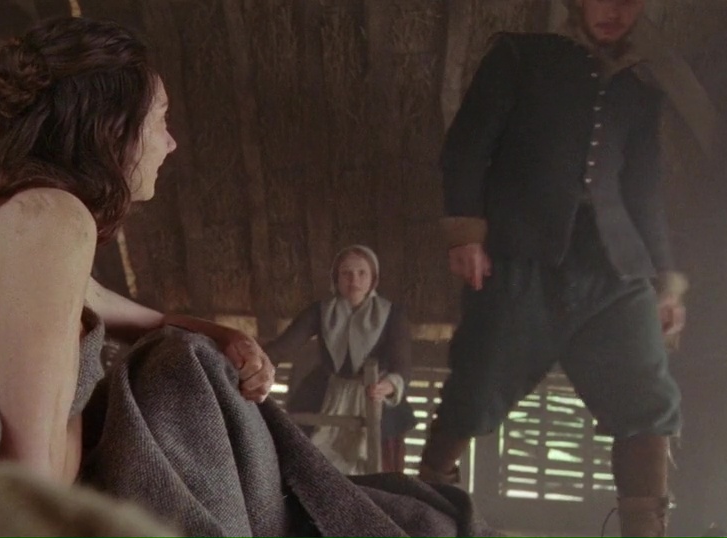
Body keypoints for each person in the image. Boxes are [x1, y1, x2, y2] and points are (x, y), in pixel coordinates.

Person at [0, 17, 275, 486]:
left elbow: (149, 321)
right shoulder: (51, 218)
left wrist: (227, 338)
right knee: (189, 392)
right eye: (160, 118)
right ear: (113, 127)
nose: (171, 142)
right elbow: (32, 469)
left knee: (188, 355)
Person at [422, 0, 688, 536]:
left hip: (615, 270)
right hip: (520, 257)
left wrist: (665, 278)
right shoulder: (519, 56)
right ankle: (424, 511)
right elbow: (467, 147)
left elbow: (644, 187)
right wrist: (466, 234)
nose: (614, 10)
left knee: (649, 405)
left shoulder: (641, 86)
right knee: (474, 393)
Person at [264, 245, 413, 474]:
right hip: (329, 394)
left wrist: (390, 385)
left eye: (362, 273)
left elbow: (401, 363)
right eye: (346, 273)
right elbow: (283, 347)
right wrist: (253, 360)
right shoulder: (321, 311)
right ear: (336, 278)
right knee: (316, 463)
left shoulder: (391, 314)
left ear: (373, 278)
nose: (354, 280)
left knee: (375, 471)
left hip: (373, 396)